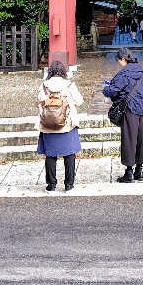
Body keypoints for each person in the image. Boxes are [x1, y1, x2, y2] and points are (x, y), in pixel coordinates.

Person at [37, 61, 84, 192]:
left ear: (51, 71)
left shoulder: (44, 86)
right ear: (63, 71)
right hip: (66, 124)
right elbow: (79, 101)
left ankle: (51, 184)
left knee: (50, 155)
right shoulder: (69, 85)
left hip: (48, 124)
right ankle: (69, 184)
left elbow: (39, 102)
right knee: (69, 155)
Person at [103, 51, 143, 183]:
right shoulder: (140, 71)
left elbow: (112, 90)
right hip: (142, 107)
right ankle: (139, 170)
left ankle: (129, 172)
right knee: (141, 138)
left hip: (129, 108)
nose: (119, 63)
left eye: (119, 60)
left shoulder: (124, 73)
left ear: (123, 59)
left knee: (129, 138)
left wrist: (105, 88)